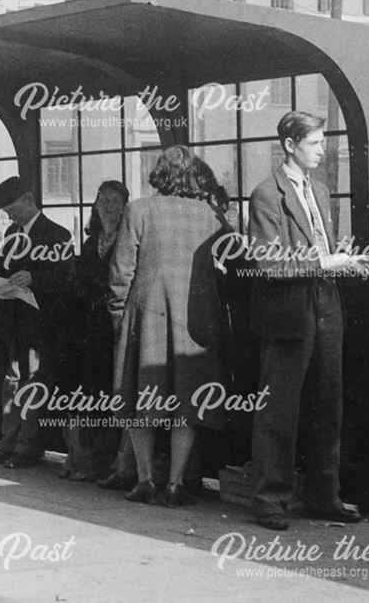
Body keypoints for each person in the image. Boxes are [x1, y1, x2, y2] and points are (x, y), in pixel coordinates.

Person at [247, 111, 369, 531]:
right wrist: (326, 260)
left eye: (322, 142)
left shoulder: (318, 189)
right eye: (315, 143)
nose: (322, 149)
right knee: (279, 409)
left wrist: (345, 263)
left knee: (328, 404)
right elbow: (268, 262)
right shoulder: (267, 194)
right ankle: (269, 499)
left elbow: (322, 246)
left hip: (325, 301)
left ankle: (325, 496)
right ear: (290, 144)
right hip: (289, 309)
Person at [108, 145, 230, 508]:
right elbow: (228, 266)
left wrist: (119, 316)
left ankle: (145, 480)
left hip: (146, 317)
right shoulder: (211, 216)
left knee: (139, 398)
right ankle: (176, 483)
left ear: (158, 174)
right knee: (186, 404)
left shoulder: (139, 210)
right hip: (194, 323)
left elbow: (121, 272)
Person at [0, 177, 74, 469]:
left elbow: (66, 278)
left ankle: (27, 448)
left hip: (41, 327)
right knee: (12, 383)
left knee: (33, 384)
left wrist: (35, 278)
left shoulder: (58, 234)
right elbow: (2, 267)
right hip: (14, 324)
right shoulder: (11, 233)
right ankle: (7, 443)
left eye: (12, 209)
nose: (10, 216)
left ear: (29, 199)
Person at [60, 180, 129, 481]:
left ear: (125, 206)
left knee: (118, 389)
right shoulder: (91, 243)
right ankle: (92, 458)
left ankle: (115, 459)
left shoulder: (128, 239)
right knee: (94, 390)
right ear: (96, 205)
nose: (109, 206)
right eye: (104, 200)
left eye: (115, 201)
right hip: (92, 327)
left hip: (119, 324)